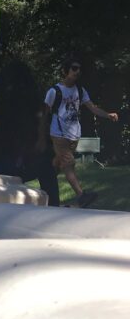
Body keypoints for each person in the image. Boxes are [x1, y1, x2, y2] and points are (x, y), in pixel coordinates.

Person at [43, 57, 119, 208]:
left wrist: (107, 115)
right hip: (59, 134)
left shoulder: (80, 90)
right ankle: (81, 196)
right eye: (74, 68)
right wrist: (41, 134)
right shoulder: (54, 91)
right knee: (69, 164)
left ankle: (44, 187)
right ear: (65, 71)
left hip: (74, 134)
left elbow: (92, 107)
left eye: (79, 69)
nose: (78, 71)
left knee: (57, 164)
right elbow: (44, 113)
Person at [0, 60, 60, 206]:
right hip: (15, 163)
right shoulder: (32, 106)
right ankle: (54, 205)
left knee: (45, 165)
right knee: (46, 166)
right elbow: (41, 145)